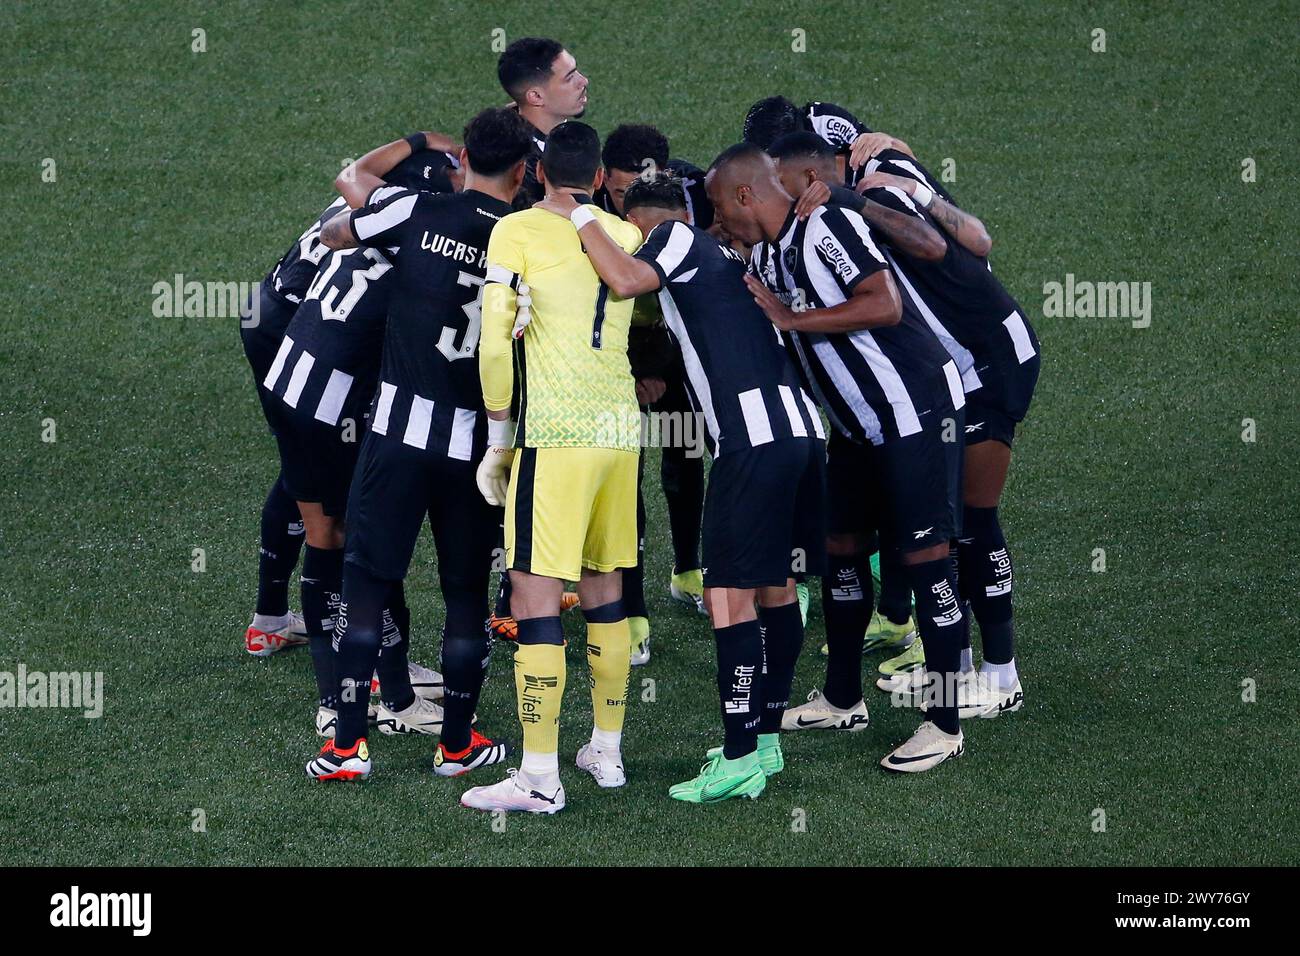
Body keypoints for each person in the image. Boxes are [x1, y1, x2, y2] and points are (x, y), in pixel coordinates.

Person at [533, 172, 827, 802]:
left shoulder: (672, 235)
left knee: (729, 600)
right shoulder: (723, 255)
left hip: (752, 442)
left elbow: (627, 278)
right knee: (777, 590)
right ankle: (765, 741)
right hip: (802, 432)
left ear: (642, 221)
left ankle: (741, 756)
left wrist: (579, 214)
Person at [709, 143, 971, 773]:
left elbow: (885, 304)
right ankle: (842, 698)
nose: (718, 222)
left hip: (915, 413)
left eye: (721, 207)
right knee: (844, 552)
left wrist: (791, 321)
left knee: (928, 561)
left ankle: (944, 723)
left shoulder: (827, 223)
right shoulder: (771, 250)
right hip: (856, 428)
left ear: (746, 195)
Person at [303, 108, 532, 782]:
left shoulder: (416, 212)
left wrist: (414, 143)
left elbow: (352, 185)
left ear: (464, 160)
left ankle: (347, 747)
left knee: (367, 585)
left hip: (397, 434)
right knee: (465, 596)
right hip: (478, 448)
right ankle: (457, 745)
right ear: (523, 172)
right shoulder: (531, 243)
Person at [775, 134, 1036, 715]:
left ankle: (1001, 675)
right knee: (940, 522)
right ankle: (960, 667)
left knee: (971, 520)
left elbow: (970, 240)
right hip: (948, 365)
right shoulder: (804, 227)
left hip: (988, 360)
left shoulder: (875, 183)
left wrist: (864, 197)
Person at [462, 122, 642, 813]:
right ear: (599, 179)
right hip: (620, 433)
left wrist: (499, 438)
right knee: (606, 591)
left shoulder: (517, 233)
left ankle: (538, 778)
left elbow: (493, 343)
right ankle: (608, 752)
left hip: (557, 434)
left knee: (533, 597)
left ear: (539, 175)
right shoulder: (622, 236)